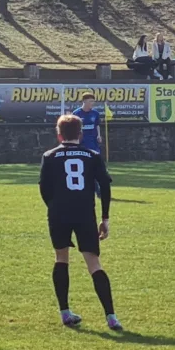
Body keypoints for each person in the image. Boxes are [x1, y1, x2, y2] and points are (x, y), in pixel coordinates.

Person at [39, 111, 122, 330]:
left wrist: (54, 208)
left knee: (61, 258)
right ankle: (111, 317)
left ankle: (65, 312)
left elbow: (44, 188)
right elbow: (105, 186)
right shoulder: (92, 156)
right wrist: (105, 217)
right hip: (85, 213)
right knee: (94, 263)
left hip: (58, 213)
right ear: (81, 134)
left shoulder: (49, 156)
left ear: (59, 135)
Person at [73, 92, 110, 160]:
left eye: (93, 101)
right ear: (84, 101)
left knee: (95, 157)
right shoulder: (76, 113)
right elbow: (73, 127)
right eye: (90, 101)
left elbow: (97, 125)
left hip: (92, 140)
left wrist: (99, 135)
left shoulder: (95, 113)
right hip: (81, 140)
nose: (92, 103)